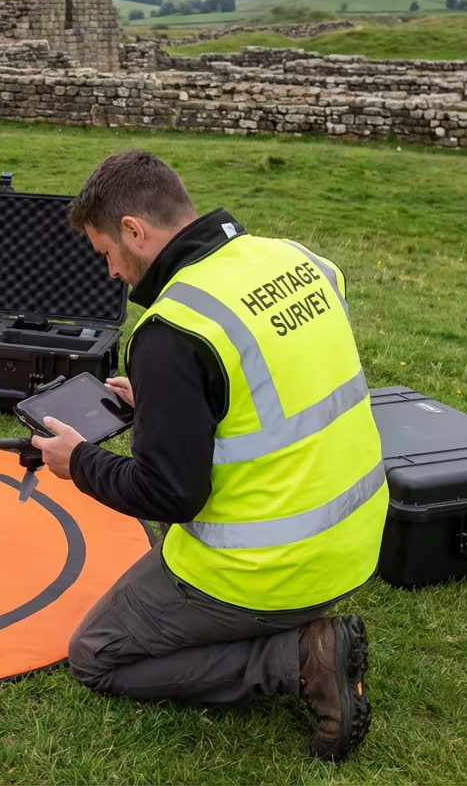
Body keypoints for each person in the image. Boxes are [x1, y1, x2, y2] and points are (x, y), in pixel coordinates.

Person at [30, 149, 387, 763]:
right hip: (356, 543)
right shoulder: (302, 263)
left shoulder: (173, 329)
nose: (111, 272)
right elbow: (278, 384)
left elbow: (169, 494)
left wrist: (79, 461)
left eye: (106, 253)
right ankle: (295, 634)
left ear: (135, 232)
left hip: (262, 570)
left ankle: (296, 659)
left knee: (97, 655)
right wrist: (175, 402)